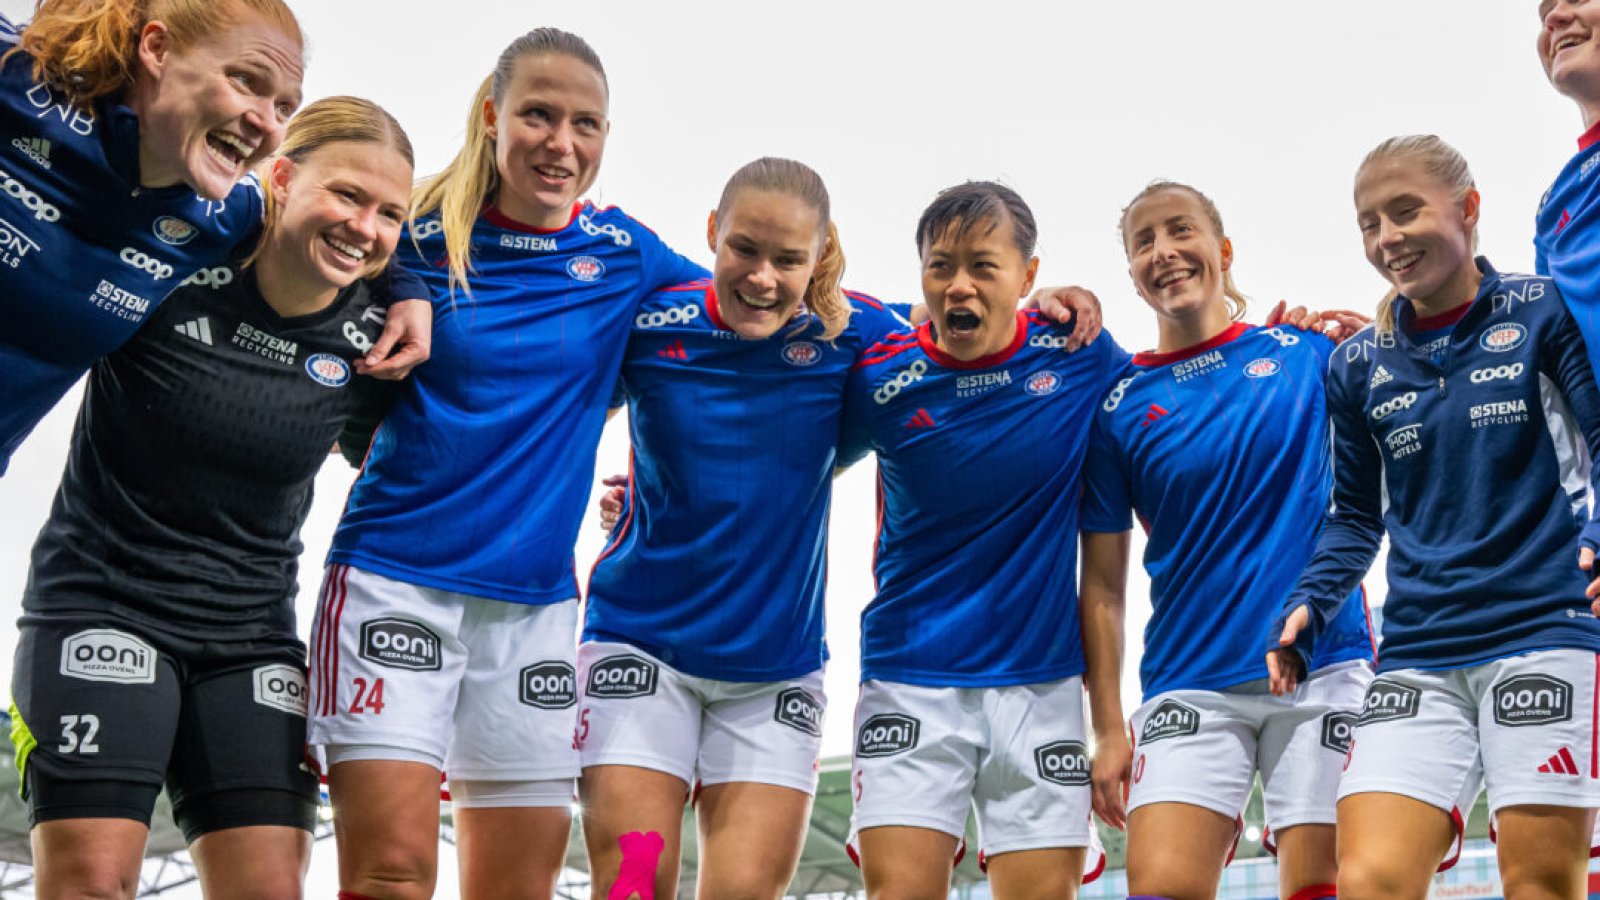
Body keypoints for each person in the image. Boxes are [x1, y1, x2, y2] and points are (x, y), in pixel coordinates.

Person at [305, 29, 709, 900]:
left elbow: (755, 311)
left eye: (586, 125)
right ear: (492, 118)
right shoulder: (406, 237)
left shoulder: (627, 256)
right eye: (538, 115)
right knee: (391, 874)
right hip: (393, 582)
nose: (562, 144)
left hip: (533, 612)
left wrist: (983, 320)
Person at [8, 95, 414, 900]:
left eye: (389, 213)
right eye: (346, 195)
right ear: (284, 177)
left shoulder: (381, 337)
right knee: (92, 880)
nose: (364, 226)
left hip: (250, 637)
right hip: (99, 606)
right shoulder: (175, 259)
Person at [1270, 134, 1600, 900]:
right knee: (1371, 880)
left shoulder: (1545, 309)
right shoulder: (1355, 364)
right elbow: (1355, 517)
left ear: (1469, 209)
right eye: (1368, 224)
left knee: (1541, 882)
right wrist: (1309, 605)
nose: (1387, 238)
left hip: (1546, 630)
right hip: (1419, 649)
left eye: (1405, 211)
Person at [576, 156, 907, 900]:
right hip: (640, 648)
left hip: (774, 672)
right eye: (744, 250)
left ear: (818, 258)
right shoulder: (653, 320)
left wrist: (1049, 303)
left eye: (788, 260)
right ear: (712, 235)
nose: (761, 277)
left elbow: (966, 335)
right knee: (630, 889)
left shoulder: (852, 332)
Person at [1075, 181, 1374, 900]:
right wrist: (1109, 731)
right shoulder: (1117, 406)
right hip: (1190, 680)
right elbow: (1105, 589)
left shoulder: (1306, 353)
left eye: (1180, 231)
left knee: (1324, 888)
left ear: (1223, 250)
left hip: (1321, 666)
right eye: (1144, 242)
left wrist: (1379, 343)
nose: (1164, 252)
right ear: (1133, 276)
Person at [836, 181, 1126, 900]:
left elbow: (1177, 403)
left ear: (1027, 277)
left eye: (983, 266)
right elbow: (773, 438)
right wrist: (644, 494)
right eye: (940, 266)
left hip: (1041, 680)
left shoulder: (1081, 354)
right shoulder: (879, 370)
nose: (958, 285)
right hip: (909, 676)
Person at [0, 0, 427, 475]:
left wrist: (409, 292)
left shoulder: (223, 215)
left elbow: (338, 229)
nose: (267, 124)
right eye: (246, 81)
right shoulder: (17, 83)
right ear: (157, 48)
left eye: (284, 107)